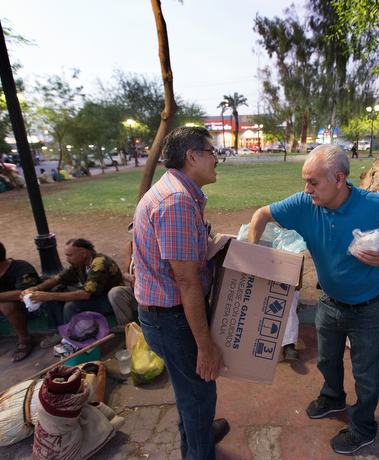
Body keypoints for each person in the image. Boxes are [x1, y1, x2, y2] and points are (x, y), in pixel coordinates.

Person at [248, 145, 379, 455]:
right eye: (305, 181)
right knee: (327, 361)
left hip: (369, 309)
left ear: (338, 179)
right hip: (329, 303)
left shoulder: (376, 205)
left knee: (366, 374)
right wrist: (251, 258)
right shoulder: (304, 203)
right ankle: (333, 397)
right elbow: (261, 216)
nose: (306, 189)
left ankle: (363, 428)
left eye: (313, 182)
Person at [133, 126, 229, 459]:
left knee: (188, 389)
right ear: (192, 157)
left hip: (165, 315)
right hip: (173, 320)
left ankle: (195, 436)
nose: (217, 159)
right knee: (200, 393)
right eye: (211, 152)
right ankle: (198, 450)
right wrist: (205, 346)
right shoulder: (176, 201)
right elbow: (186, 281)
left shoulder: (177, 192)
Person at [26, 238, 122, 348]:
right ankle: (60, 332)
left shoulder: (100, 263)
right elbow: (57, 279)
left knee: (71, 305)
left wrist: (48, 296)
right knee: (56, 290)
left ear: (83, 253)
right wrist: (36, 288)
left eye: (69, 255)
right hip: (93, 297)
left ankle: (72, 342)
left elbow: (85, 294)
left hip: (109, 301)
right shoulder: (78, 263)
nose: (67, 259)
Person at [106, 224, 140, 327]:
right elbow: (124, 274)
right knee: (115, 293)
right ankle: (127, 328)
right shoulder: (130, 246)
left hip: (154, 294)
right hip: (136, 291)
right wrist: (131, 277)